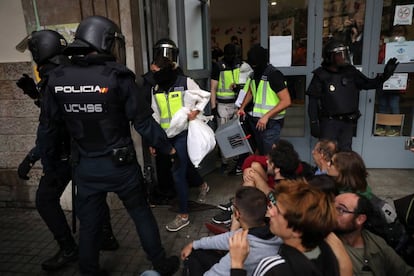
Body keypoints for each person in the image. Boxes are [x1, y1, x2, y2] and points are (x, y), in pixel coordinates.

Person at [38, 16, 179, 275]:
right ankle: (160, 263)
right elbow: (144, 124)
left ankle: (89, 271)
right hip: (121, 167)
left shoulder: (56, 79)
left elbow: (47, 130)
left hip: (86, 168)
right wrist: (169, 149)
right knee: (140, 213)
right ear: (103, 41)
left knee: (89, 225)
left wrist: (50, 166)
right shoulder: (117, 76)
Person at [15, 29, 118, 271]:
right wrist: (36, 94)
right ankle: (107, 236)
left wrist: (31, 158)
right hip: (85, 149)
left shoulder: (52, 78)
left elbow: (50, 128)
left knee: (45, 200)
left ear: (42, 52)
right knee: (93, 195)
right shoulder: (72, 70)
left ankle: (68, 248)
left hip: (63, 153)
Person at [150, 43, 210, 232]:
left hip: (183, 134)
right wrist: (154, 141)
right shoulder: (156, 89)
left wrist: (196, 111)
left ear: (166, 70)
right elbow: (155, 116)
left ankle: (183, 215)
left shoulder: (185, 82)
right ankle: (203, 185)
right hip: (166, 136)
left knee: (177, 172)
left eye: (156, 71)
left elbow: (203, 97)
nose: (153, 75)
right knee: (184, 165)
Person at [228, 179, 344, 276]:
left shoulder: (274, 268)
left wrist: (237, 264)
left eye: (277, 210)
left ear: (297, 230)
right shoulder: (326, 250)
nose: (270, 211)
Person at [306, 39, 399, 151]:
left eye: (344, 54)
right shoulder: (321, 75)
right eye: (339, 55)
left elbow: (369, 84)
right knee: (326, 152)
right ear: (330, 57)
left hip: (347, 121)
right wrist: (313, 122)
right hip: (329, 122)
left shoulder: (350, 72)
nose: (343, 57)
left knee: (346, 153)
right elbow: (313, 101)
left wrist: (385, 76)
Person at [181, 186, 282, 275]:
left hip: (236, 271)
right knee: (198, 249)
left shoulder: (238, 254)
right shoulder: (276, 232)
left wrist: (194, 246)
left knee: (192, 257)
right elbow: (227, 238)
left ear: (237, 214)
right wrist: (194, 244)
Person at [334, 192, 414, 275]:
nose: (331, 212)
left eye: (340, 210)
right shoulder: (327, 242)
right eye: (331, 206)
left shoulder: (376, 244)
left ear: (360, 219)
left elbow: (405, 271)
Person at [238, 44, 291, 155]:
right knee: (260, 154)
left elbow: (286, 101)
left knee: (270, 157)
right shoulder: (253, 75)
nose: (253, 66)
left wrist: (266, 116)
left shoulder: (274, 75)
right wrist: (242, 108)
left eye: (255, 64)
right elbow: (251, 92)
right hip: (256, 121)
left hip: (271, 122)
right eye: (252, 64)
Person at [210, 43, 252, 174]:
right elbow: (213, 88)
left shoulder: (241, 65)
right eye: (229, 54)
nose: (232, 57)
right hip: (222, 105)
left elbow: (247, 85)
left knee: (237, 134)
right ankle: (225, 162)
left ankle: (236, 160)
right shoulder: (218, 66)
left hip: (237, 105)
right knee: (223, 135)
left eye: (233, 54)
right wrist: (213, 106)